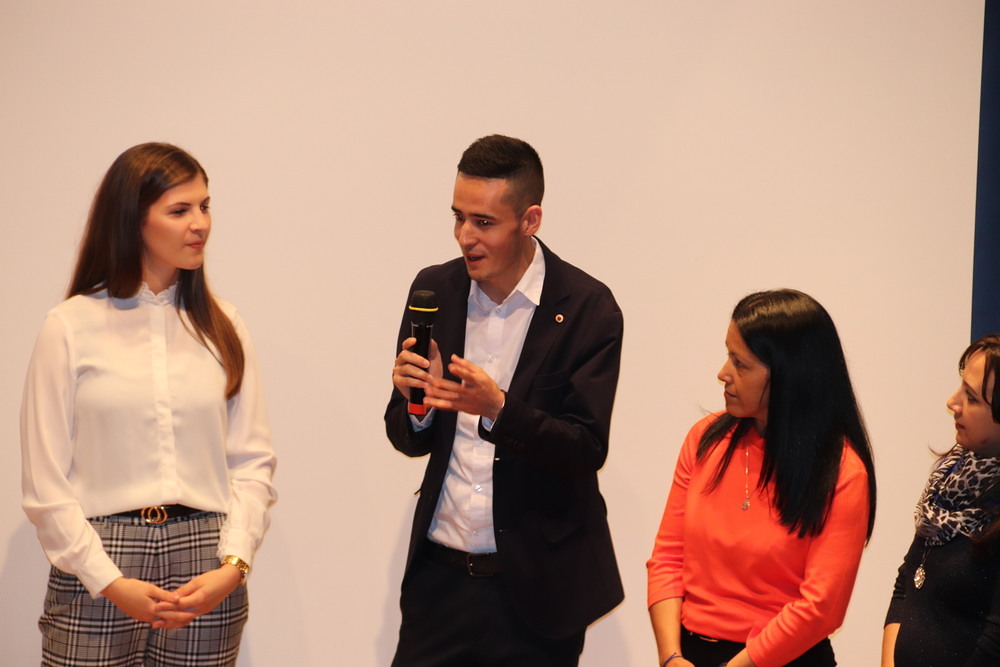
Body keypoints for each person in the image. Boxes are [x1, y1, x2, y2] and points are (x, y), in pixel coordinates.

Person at [20, 142, 277, 666]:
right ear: (132, 221)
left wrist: (233, 564)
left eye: (205, 206)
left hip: (206, 562)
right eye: (179, 210)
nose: (200, 224)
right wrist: (108, 580)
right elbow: (45, 485)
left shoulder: (224, 325)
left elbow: (252, 461)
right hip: (98, 559)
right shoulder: (69, 326)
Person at [385, 134, 624, 666]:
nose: (465, 237)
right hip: (439, 586)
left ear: (530, 220)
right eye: (458, 217)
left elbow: (585, 448)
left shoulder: (588, 308)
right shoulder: (435, 291)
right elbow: (405, 435)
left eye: (484, 222)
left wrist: (498, 408)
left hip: (535, 593)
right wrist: (419, 403)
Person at [647, 289, 877, 667]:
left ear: (789, 375)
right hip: (690, 653)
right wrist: (671, 656)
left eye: (740, 364)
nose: (723, 373)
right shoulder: (705, 440)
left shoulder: (842, 472)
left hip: (783, 659)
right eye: (728, 355)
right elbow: (668, 559)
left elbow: (821, 608)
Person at [882, 334, 1000, 666]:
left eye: (972, 398)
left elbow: (995, 643)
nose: (952, 402)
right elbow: (907, 583)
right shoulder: (951, 480)